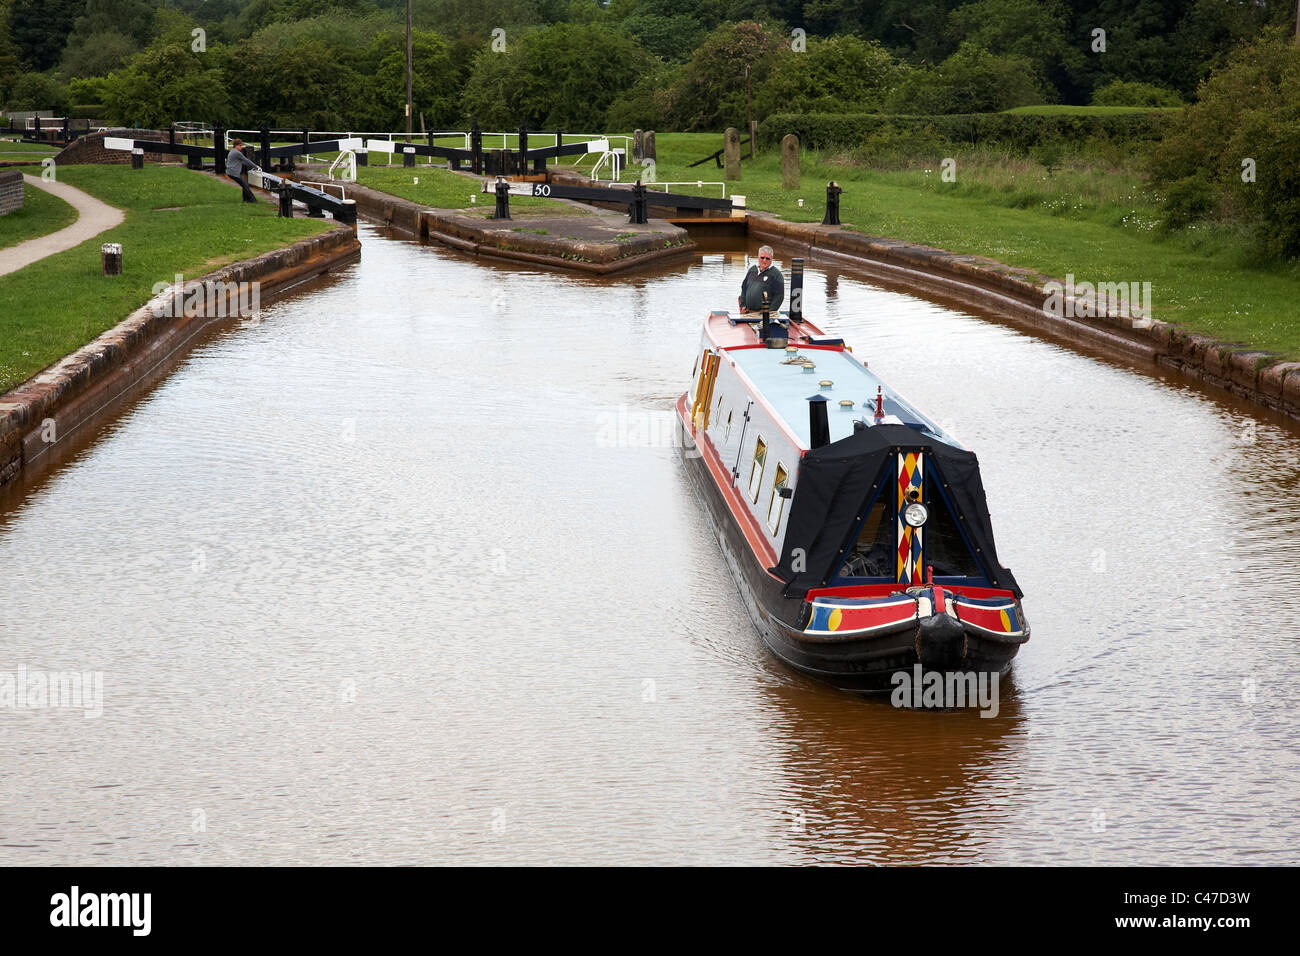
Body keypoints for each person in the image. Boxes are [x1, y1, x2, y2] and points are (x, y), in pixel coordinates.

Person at [738, 245, 784, 314]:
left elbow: (779, 297)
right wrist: (743, 304)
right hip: (747, 313)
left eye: (767, 258)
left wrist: (768, 313)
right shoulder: (752, 269)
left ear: (771, 259)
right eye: (762, 257)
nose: (764, 260)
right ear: (758, 257)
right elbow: (744, 288)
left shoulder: (776, 274)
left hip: (763, 315)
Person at [225, 138, 261, 204]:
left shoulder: (232, 151)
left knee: (245, 185)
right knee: (246, 186)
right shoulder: (237, 153)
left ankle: (246, 200)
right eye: (240, 145)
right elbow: (246, 160)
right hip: (234, 173)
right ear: (236, 145)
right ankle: (254, 201)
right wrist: (256, 167)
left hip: (230, 172)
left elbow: (242, 161)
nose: (241, 147)